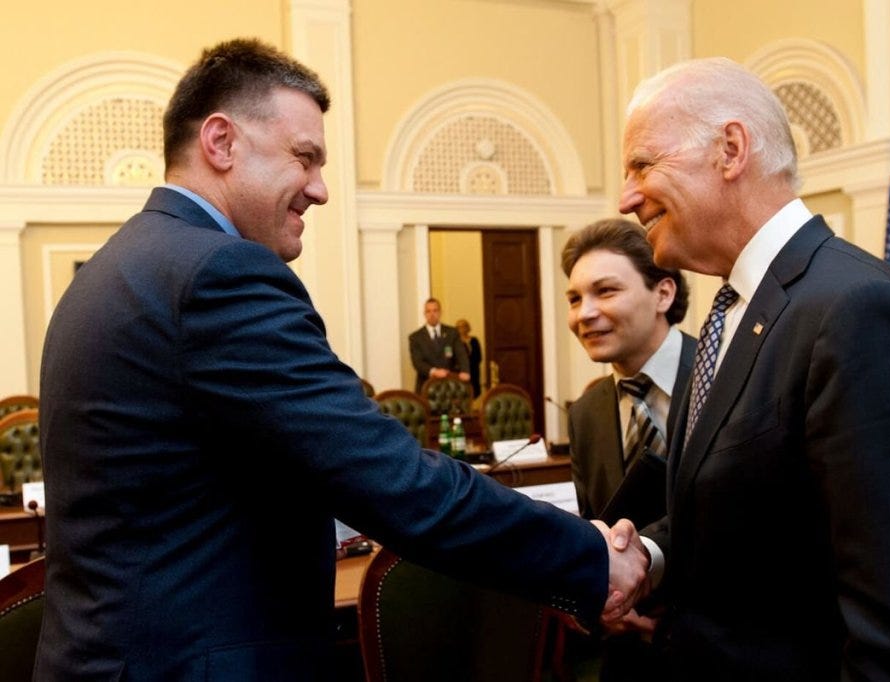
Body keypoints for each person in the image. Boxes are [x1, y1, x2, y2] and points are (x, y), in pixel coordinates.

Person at [35, 39, 648, 680]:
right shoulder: (218, 272)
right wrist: (588, 556)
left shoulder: (116, 267)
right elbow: (390, 479)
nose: (321, 190)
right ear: (221, 143)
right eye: (305, 159)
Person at [615, 57, 890, 679]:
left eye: (643, 165)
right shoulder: (734, 309)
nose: (625, 197)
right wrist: (649, 556)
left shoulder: (860, 311)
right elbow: (745, 510)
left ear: (730, 149)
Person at [562, 217, 696, 680]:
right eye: (575, 298)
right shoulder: (584, 413)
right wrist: (605, 605)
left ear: (664, 293)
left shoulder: (727, 377)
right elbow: (594, 525)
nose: (585, 314)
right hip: (628, 657)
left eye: (606, 291)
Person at [408, 297, 470, 392]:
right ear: (424, 314)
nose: (432, 314)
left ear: (440, 312)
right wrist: (434, 371)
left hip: (449, 386)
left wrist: (465, 371)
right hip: (425, 387)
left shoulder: (452, 333)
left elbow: (461, 354)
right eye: (428, 311)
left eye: (435, 311)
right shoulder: (415, 337)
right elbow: (417, 362)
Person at [455, 318, 483, 397]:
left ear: (467, 328)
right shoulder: (454, 342)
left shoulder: (474, 340)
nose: (461, 329)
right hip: (459, 373)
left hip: (473, 372)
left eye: (463, 326)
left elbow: (479, 357)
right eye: (458, 327)